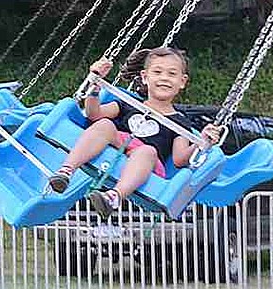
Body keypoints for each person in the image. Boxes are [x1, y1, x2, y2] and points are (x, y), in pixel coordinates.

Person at [46, 46, 222, 215]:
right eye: (158, 72)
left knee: (146, 150)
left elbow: (179, 159)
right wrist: (94, 86)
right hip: (120, 143)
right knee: (104, 125)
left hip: (148, 161)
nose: (165, 78)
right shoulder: (129, 103)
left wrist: (203, 143)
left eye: (172, 74)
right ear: (145, 77)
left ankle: (114, 197)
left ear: (182, 82)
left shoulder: (180, 122)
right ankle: (66, 171)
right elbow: (94, 114)